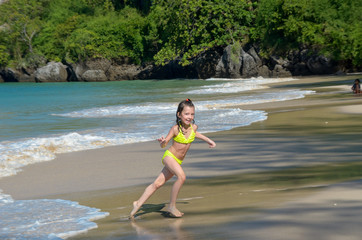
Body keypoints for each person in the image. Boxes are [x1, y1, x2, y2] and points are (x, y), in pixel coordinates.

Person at [130, 99, 216, 219]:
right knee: (182, 177)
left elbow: (196, 134)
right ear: (179, 114)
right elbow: (165, 144)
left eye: (192, 114)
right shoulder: (175, 129)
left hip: (178, 161)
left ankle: (138, 203)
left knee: (157, 184)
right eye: (186, 114)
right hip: (169, 157)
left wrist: (209, 141)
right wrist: (163, 142)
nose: (189, 117)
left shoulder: (194, 127)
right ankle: (171, 206)